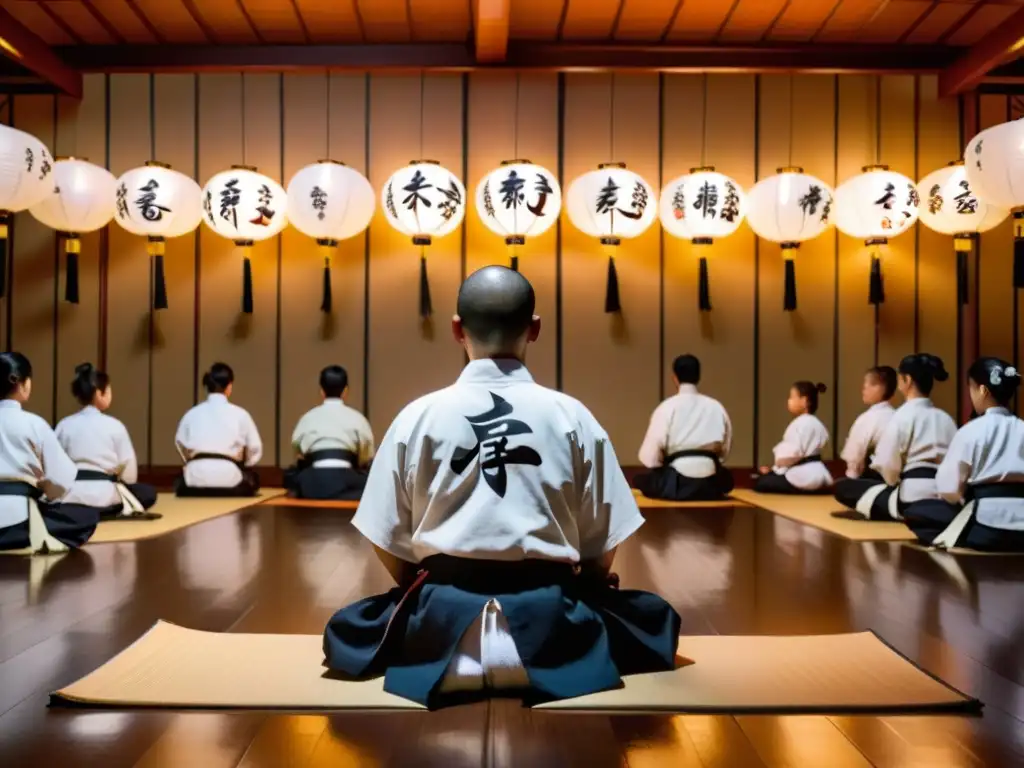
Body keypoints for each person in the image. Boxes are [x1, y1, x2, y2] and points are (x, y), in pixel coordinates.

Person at [322, 266, 680, 709]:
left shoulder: (417, 416)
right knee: (653, 619)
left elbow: (383, 534)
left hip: (439, 635)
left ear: (457, 329)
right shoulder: (573, 416)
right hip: (553, 633)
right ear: (535, 329)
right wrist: (586, 586)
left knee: (349, 629)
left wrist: (417, 584)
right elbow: (601, 545)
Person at [903, 358, 1024, 552]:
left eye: (972, 389)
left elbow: (949, 488)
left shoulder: (971, 430)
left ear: (983, 391)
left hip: (986, 528)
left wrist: (962, 498)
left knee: (917, 511)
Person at [834, 354, 956, 521]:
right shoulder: (946, 419)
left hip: (910, 496)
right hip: (943, 495)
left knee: (844, 487)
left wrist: (893, 481)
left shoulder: (901, 416)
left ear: (907, 380)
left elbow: (887, 466)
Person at [0, 353, 83, 554]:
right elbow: (61, 481)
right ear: (23, 383)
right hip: (19, 521)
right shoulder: (34, 423)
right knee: (84, 516)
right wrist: (49, 496)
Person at [54, 363, 160, 521]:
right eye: (109, 391)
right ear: (99, 393)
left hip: (71, 495)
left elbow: (54, 466)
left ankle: (77, 512)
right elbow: (130, 475)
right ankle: (108, 512)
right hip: (105, 495)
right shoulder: (115, 425)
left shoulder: (63, 425)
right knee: (147, 493)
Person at [633, 354, 733, 501]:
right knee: (726, 479)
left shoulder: (667, 407)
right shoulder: (716, 407)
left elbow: (650, 458)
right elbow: (725, 451)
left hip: (678, 482)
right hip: (710, 483)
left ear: (675, 378)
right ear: (698, 376)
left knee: (640, 479)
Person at [285, 365, 375, 500]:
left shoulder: (307, 418)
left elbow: (298, 452)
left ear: (321, 391)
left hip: (313, 480)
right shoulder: (358, 418)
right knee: (371, 482)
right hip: (348, 479)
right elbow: (366, 456)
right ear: (345, 391)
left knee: (292, 478)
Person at [174, 363, 262, 497]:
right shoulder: (240, 414)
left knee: (181, 482)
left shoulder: (191, 414)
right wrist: (244, 464)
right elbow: (255, 448)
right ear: (229, 386)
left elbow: (179, 444)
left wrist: (191, 462)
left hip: (195, 478)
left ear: (207, 387)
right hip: (230, 478)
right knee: (252, 480)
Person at [752, 381, 832, 494]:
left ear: (804, 401)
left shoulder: (800, 423)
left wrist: (774, 469)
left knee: (761, 482)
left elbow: (791, 455)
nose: (789, 401)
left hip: (803, 475)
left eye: (792, 397)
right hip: (819, 472)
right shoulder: (818, 424)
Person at [838, 366, 898, 481]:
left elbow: (854, 457)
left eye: (869, 384)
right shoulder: (899, 416)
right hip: (900, 482)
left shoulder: (867, 418)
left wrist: (851, 477)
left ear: (880, 388)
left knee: (843, 486)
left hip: (875, 480)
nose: (864, 389)